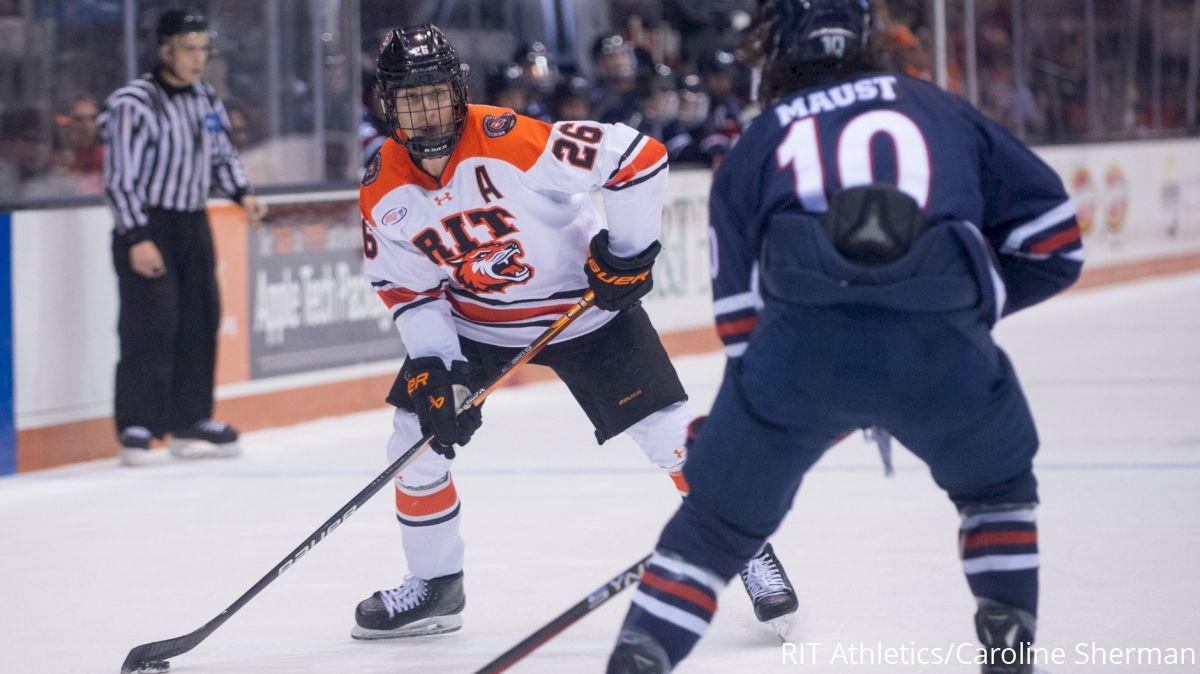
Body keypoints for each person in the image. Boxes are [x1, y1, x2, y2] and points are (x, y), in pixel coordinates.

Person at [607, 1, 1083, 673]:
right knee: (997, 490)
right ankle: (1010, 648)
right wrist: (961, 305)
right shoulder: (940, 108)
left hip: (798, 360)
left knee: (714, 525)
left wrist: (755, 416)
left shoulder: (757, 140)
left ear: (779, 49)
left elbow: (742, 318)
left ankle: (642, 655)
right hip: (945, 354)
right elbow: (1056, 239)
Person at [353, 24, 798, 641]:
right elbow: (408, 288)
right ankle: (436, 585)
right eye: (410, 97)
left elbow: (638, 158)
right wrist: (435, 365)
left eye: (435, 94)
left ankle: (747, 547)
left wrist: (628, 254)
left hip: (583, 309)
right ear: (388, 105)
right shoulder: (382, 183)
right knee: (413, 442)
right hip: (477, 323)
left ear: (458, 93)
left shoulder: (510, 139)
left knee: (670, 435)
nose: (425, 110)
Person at [100, 7, 268, 466]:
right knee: (149, 324)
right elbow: (119, 178)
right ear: (164, 50)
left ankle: (188, 419)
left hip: (193, 222)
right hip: (148, 224)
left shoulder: (205, 99)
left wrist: (242, 193)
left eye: (203, 49)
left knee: (200, 319)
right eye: (188, 49)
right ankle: (138, 423)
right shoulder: (133, 102)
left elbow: (221, 155)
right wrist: (136, 235)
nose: (198, 58)